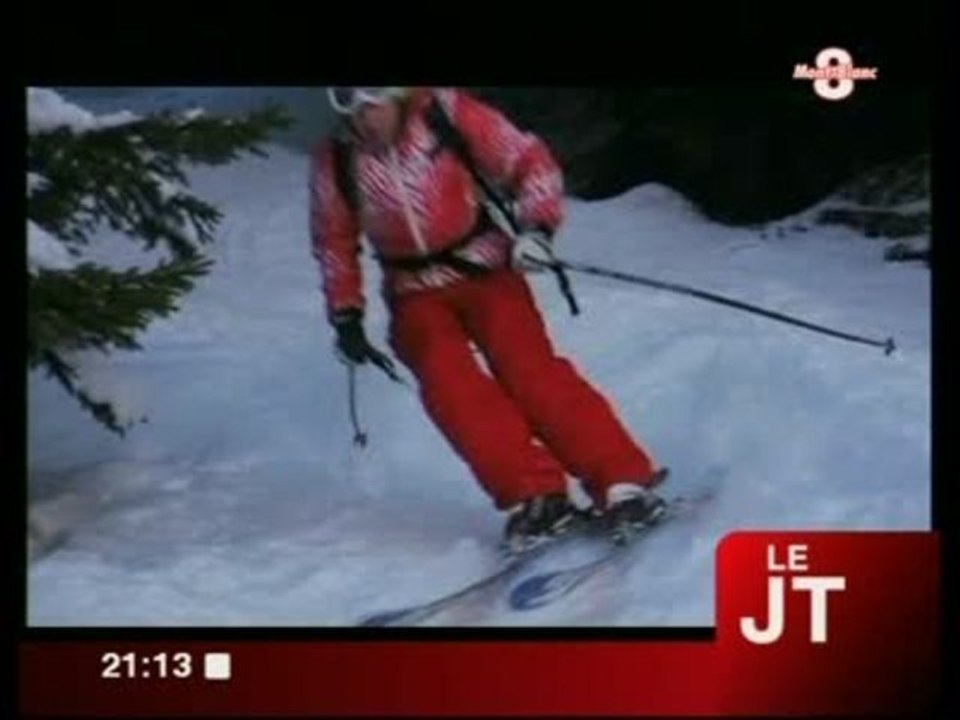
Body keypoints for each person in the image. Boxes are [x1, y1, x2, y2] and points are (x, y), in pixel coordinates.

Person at [309, 87, 667, 553]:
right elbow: (332, 239)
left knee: (530, 374)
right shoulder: (337, 160)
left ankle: (621, 482)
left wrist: (536, 229)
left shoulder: (446, 114)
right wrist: (346, 313)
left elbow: (527, 160)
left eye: (372, 97)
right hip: (413, 292)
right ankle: (536, 496)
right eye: (346, 100)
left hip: (484, 267)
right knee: (453, 393)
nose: (362, 113)